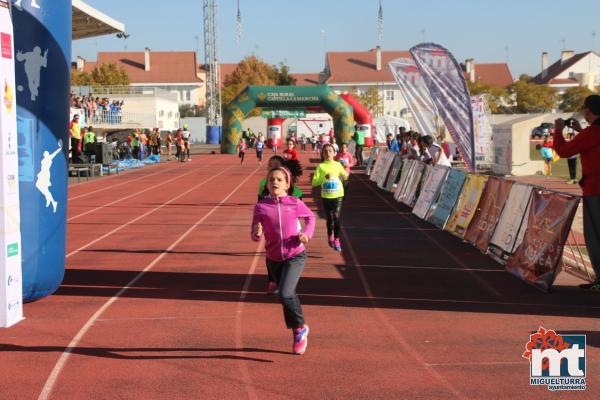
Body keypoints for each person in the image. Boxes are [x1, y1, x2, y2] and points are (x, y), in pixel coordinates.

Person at [252, 166, 315, 355]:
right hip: (273, 258)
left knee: (285, 294)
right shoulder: (261, 206)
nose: (275, 182)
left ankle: (299, 329)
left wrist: (306, 234)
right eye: (271, 180)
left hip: (295, 254)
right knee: (288, 296)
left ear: (287, 184)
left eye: (279, 179)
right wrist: (257, 233)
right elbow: (255, 233)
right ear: (267, 185)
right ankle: (299, 328)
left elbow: (311, 218)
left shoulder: (295, 203)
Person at [553, 95, 600, 291]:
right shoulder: (590, 133)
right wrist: (581, 132)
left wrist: (558, 130)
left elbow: (563, 151)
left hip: (595, 189)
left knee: (595, 235)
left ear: (588, 111)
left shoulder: (592, 132)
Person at [312, 143, 348, 252]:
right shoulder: (321, 166)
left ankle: (336, 239)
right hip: (326, 195)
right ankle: (330, 235)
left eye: (330, 151)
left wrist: (345, 173)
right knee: (330, 218)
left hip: (338, 195)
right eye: (325, 151)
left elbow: (345, 176)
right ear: (322, 154)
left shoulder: (337, 165)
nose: (328, 153)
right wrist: (324, 177)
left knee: (336, 217)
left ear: (334, 153)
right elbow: (314, 182)